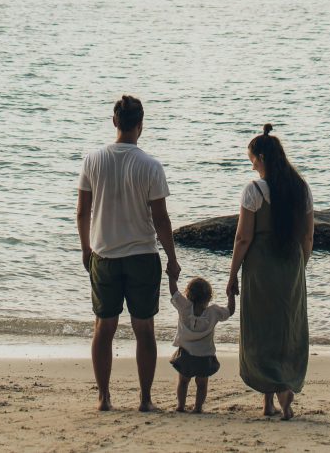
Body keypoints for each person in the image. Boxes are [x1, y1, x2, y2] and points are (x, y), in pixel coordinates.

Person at [76, 95, 181, 412]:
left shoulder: (93, 160)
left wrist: (85, 248)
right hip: (141, 256)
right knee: (144, 329)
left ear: (114, 122)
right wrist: (173, 258)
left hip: (104, 254)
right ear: (140, 125)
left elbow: (83, 211)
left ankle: (104, 397)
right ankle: (145, 398)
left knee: (103, 327)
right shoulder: (149, 165)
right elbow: (161, 219)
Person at [227, 124, 314, 420]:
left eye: (251, 158)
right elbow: (307, 237)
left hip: (260, 267)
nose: (251, 163)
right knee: (287, 328)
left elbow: (243, 237)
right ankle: (284, 391)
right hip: (291, 264)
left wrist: (231, 275)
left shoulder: (254, 191)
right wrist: (301, 265)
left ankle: (268, 401)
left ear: (261, 156)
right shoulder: (301, 188)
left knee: (261, 329)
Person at [168, 275, 234, 413]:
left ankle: (180, 406)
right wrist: (231, 294)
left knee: (183, 382)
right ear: (209, 297)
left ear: (188, 294)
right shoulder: (214, 312)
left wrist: (172, 277)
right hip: (205, 357)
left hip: (186, 355)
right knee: (202, 384)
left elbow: (174, 292)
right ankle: (198, 407)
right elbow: (230, 311)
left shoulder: (184, 308)